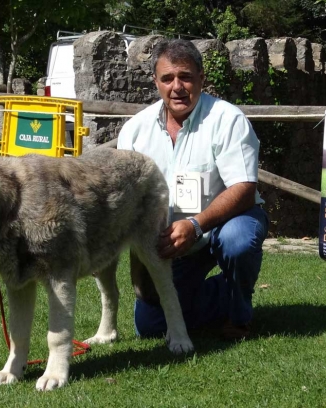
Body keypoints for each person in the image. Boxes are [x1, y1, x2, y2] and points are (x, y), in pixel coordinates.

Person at [117, 38, 269, 341]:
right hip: (170, 240)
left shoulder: (227, 119)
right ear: (155, 82)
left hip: (226, 221)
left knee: (237, 241)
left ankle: (238, 317)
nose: (177, 87)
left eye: (185, 77)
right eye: (168, 78)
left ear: (201, 78)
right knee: (149, 326)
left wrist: (195, 225)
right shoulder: (135, 130)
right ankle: (224, 293)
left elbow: (244, 187)